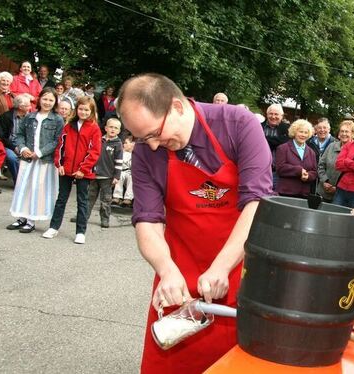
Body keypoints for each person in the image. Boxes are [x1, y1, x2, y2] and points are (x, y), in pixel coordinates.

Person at [115, 73, 272, 373]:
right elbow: (147, 220)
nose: (151, 145)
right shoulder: (148, 151)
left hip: (240, 271)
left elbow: (257, 204)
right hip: (179, 273)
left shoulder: (237, 124)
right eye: (141, 138)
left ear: (176, 106)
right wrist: (166, 271)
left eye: (153, 134)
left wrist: (222, 267)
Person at [42, 96, 101, 244]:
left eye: (86, 109)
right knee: (61, 199)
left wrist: (83, 169)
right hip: (66, 169)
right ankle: (53, 227)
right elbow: (60, 147)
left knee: (82, 201)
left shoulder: (94, 128)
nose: (83, 112)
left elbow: (94, 151)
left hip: (83, 172)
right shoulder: (68, 126)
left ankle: (80, 232)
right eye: (81, 109)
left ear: (91, 111)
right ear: (76, 109)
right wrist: (59, 164)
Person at [7, 88, 64, 233]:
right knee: (23, 187)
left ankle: (31, 220)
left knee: (36, 189)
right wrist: (23, 148)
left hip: (43, 160)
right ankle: (21, 217)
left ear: (55, 102)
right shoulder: (30, 116)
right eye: (45, 99)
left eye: (51, 100)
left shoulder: (57, 119)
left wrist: (39, 152)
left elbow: (57, 141)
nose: (47, 102)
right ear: (39, 99)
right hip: (27, 159)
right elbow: (19, 135)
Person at [85, 118, 123, 228]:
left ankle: (105, 219)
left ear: (119, 131)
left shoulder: (118, 144)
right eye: (111, 127)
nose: (113, 129)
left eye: (116, 128)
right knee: (89, 197)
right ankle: (83, 216)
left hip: (108, 176)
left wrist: (117, 176)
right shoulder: (98, 140)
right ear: (106, 128)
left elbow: (119, 161)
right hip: (94, 174)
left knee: (106, 200)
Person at [275, 119, 318, 198]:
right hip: (286, 193)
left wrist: (308, 176)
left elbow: (314, 172)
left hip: (304, 194)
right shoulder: (283, 148)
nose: (303, 135)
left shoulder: (311, 152)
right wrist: (298, 170)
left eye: (306, 133)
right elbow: (280, 168)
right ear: (294, 132)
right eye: (301, 132)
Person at [0, 94, 33, 185]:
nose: (30, 107)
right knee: (12, 158)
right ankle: (19, 182)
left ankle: (30, 182)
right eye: (28, 105)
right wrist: (14, 147)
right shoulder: (6, 117)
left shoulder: (31, 118)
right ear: (20, 107)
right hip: (9, 145)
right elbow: (2, 136)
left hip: (25, 144)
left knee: (33, 157)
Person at [316, 120, 354, 202]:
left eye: (347, 131)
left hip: (341, 195)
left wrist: (337, 188)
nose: (344, 134)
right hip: (323, 191)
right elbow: (321, 165)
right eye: (342, 131)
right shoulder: (331, 146)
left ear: (352, 134)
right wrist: (324, 181)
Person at [112, 135, 134, 207]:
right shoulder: (122, 153)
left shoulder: (134, 154)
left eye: (126, 143)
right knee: (120, 176)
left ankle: (128, 198)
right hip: (121, 171)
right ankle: (117, 197)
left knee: (132, 178)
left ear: (132, 144)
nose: (124, 144)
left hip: (131, 173)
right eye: (124, 143)